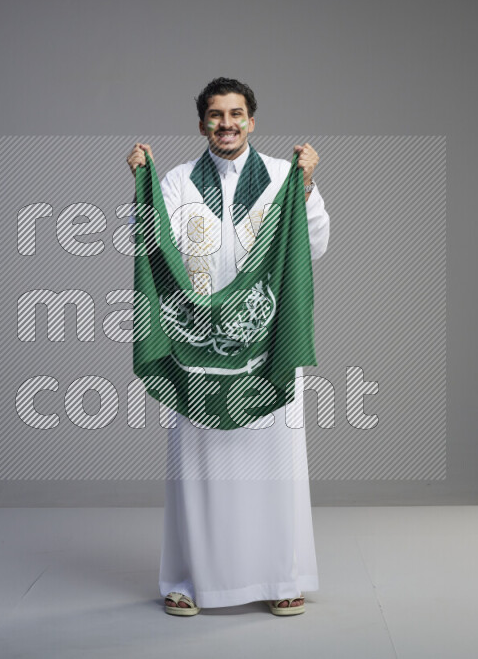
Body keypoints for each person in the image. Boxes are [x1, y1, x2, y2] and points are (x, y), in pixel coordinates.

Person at [126, 77, 330, 616]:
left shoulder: (285, 178)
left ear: (253, 120)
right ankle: (190, 580)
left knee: (274, 465)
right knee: (196, 467)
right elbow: (151, 242)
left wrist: (307, 188)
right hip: (196, 343)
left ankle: (281, 577)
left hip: (264, 342)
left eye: (236, 114)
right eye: (215, 116)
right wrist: (141, 187)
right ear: (202, 125)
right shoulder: (175, 183)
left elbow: (315, 245)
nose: (227, 124)